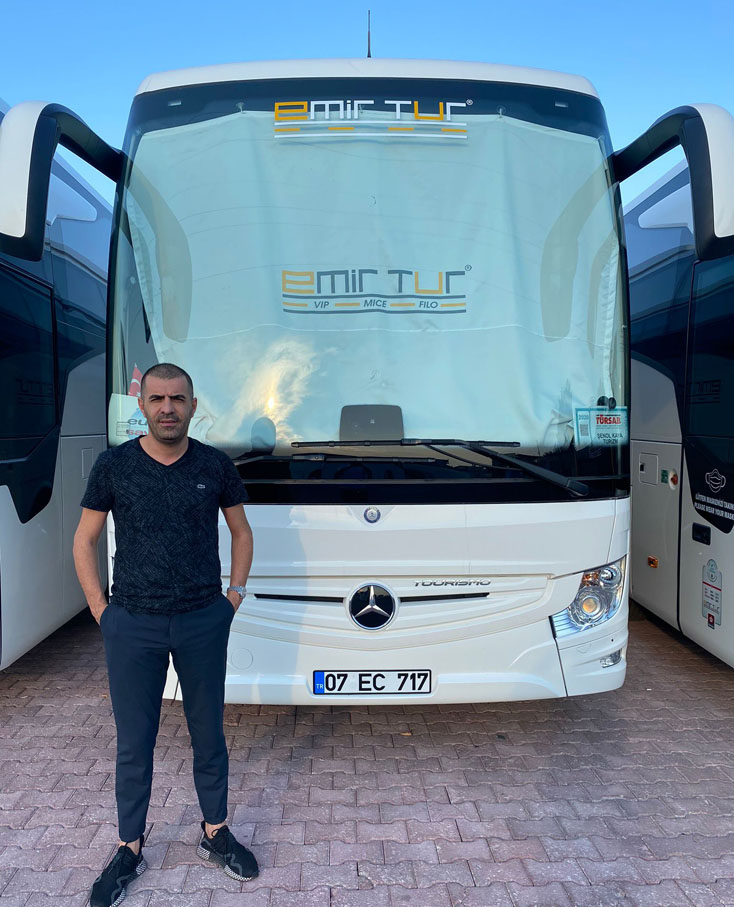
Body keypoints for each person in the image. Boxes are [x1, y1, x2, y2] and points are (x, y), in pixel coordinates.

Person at [73, 363, 258, 907]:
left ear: (193, 406)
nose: (168, 408)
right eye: (157, 399)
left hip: (203, 619)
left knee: (209, 735)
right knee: (135, 743)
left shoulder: (215, 464)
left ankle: (215, 833)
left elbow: (241, 531)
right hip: (133, 623)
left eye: (178, 398)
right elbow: (84, 539)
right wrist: (101, 610)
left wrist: (233, 598)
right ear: (143, 406)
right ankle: (129, 848)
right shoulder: (114, 466)